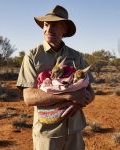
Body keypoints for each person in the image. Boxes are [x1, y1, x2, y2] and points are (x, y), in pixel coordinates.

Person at [17, 5, 95, 150]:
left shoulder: (76, 56)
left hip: (75, 132)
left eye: (55, 25)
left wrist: (80, 102)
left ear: (64, 29)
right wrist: (68, 96)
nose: (48, 29)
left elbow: (91, 93)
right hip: (47, 134)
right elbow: (29, 97)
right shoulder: (33, 55)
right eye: (46, 24)